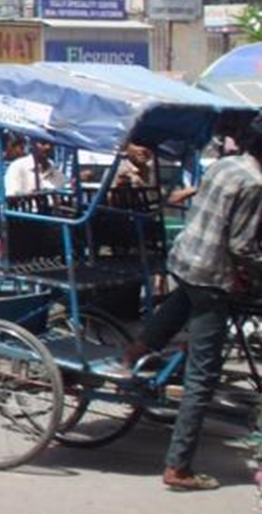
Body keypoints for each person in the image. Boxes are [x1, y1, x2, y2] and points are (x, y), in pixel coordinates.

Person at [121, 113, 262, 492]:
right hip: (212, 275)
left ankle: (136, 351)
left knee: (180, 302)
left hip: (185, 259)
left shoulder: (227, 165)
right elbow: (242, 247)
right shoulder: (255, 183)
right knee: (204, 375)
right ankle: (178, 467)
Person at [3, 139, 68, 197]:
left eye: (51, 144)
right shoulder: (17, 167)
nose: (48, 147)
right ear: (32, 144)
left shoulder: (55, 172)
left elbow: (66, 190)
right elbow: (12, 196)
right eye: (43, 143)